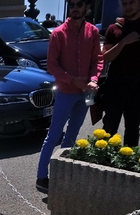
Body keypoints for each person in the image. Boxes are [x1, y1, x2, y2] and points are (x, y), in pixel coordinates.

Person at [36, 0, 103, 193]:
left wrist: (93, 79)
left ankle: (62, 174)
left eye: (79, 4)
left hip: (84, 94)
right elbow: (52, 65)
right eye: (72, 5)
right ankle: (42, 176)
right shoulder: (58, 33)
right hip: (66, 92)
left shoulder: (92, 32)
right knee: (54, 134)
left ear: (86, 7)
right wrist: (73, 80)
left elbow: (97, 60)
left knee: (72, 136)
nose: (75, 8)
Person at [100, 0, 140, 147]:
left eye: (131, 3)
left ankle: (127, 165)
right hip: (114, 86)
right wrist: (124, 42)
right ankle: (103, 166)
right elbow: (105, 58)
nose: (128, 7)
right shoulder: (114, 28)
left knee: (133, 130)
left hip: (138, 87)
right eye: (125, 3)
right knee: (109, 129)